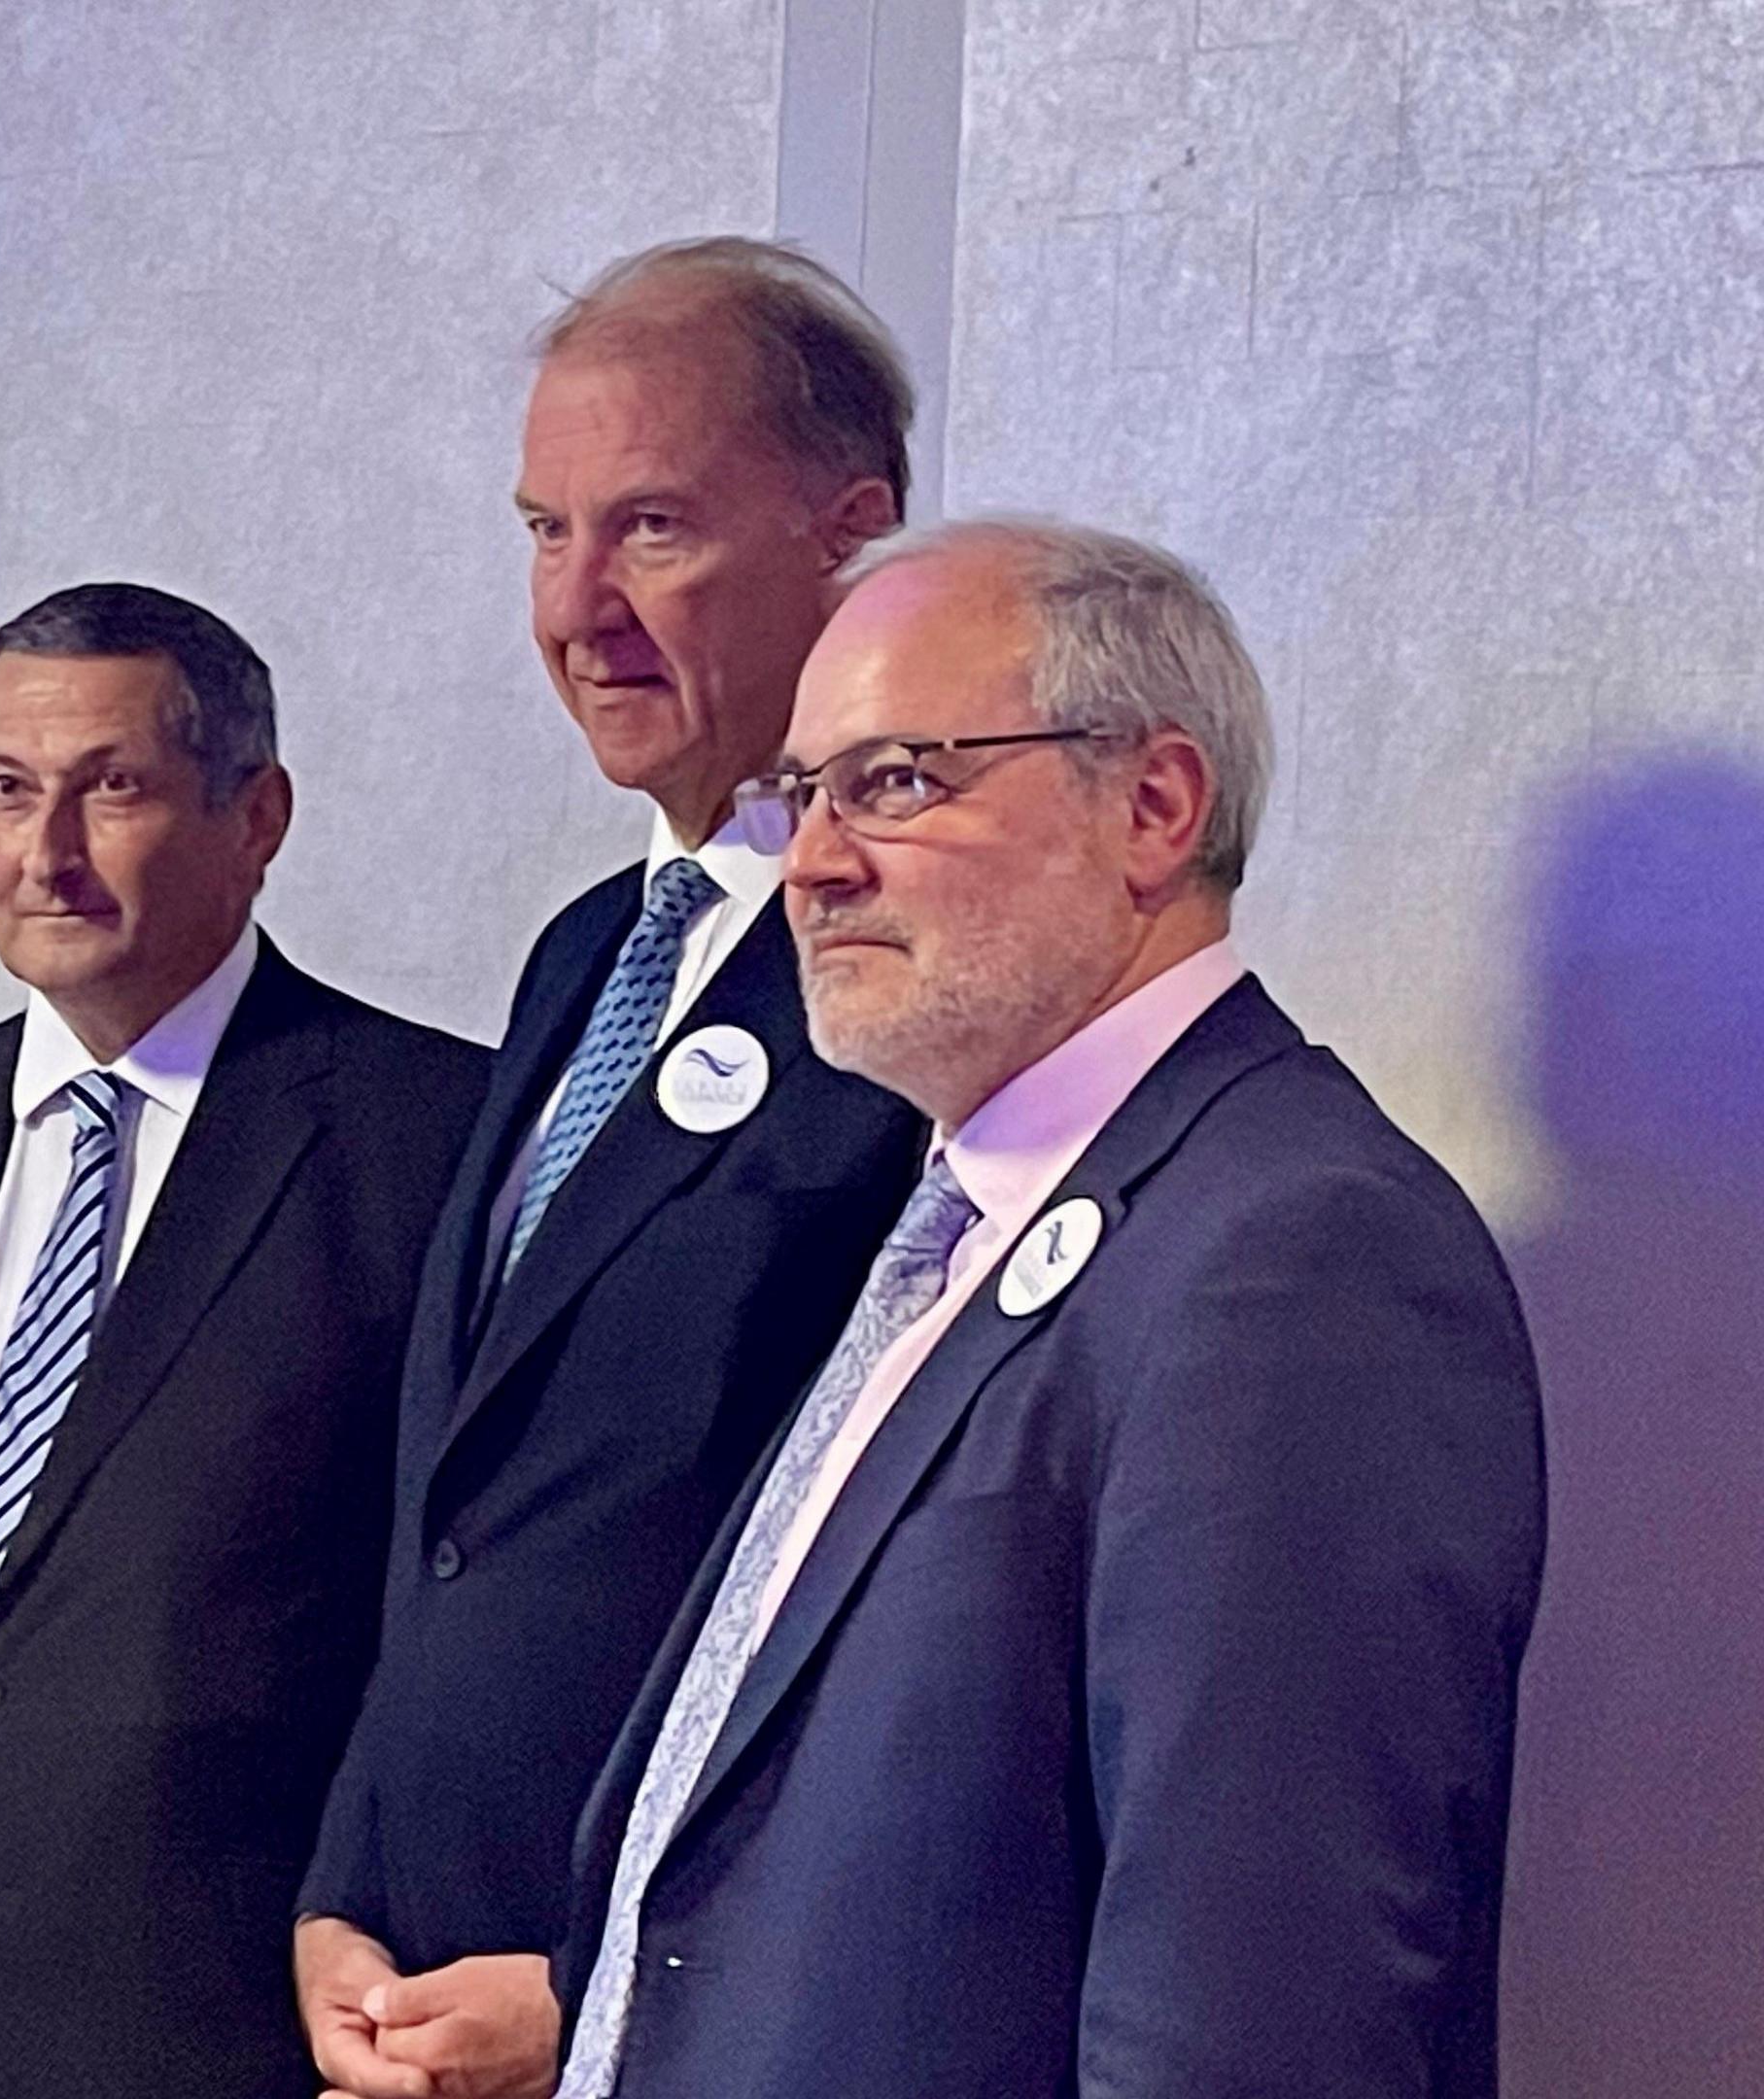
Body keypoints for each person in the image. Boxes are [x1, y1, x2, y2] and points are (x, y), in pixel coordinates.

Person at [547, 520, 1545, 2097]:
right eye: (801, 792)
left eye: (895, 781)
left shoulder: (1296, 1262)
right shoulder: (960, 1219)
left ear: (1153, 806)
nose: (810, 863)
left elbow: (1258, 2026)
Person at [297, 239, 927, 2099]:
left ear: (852, 533)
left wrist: (605, 1987)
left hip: (695, 2026)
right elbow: (469, 1514)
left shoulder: (911, 979)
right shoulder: (586, 953)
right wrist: (353, 1882)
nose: (579, 608)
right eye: (541, 531)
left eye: (650, 528)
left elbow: (888, 1600)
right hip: (419, 2010)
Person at [0, 582, 487, 2099]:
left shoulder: (435, 1136)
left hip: (256, 2020)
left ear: (258, 816)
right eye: (4, 790)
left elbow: (449, 1609)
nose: (44, 854)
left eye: (110, 789)